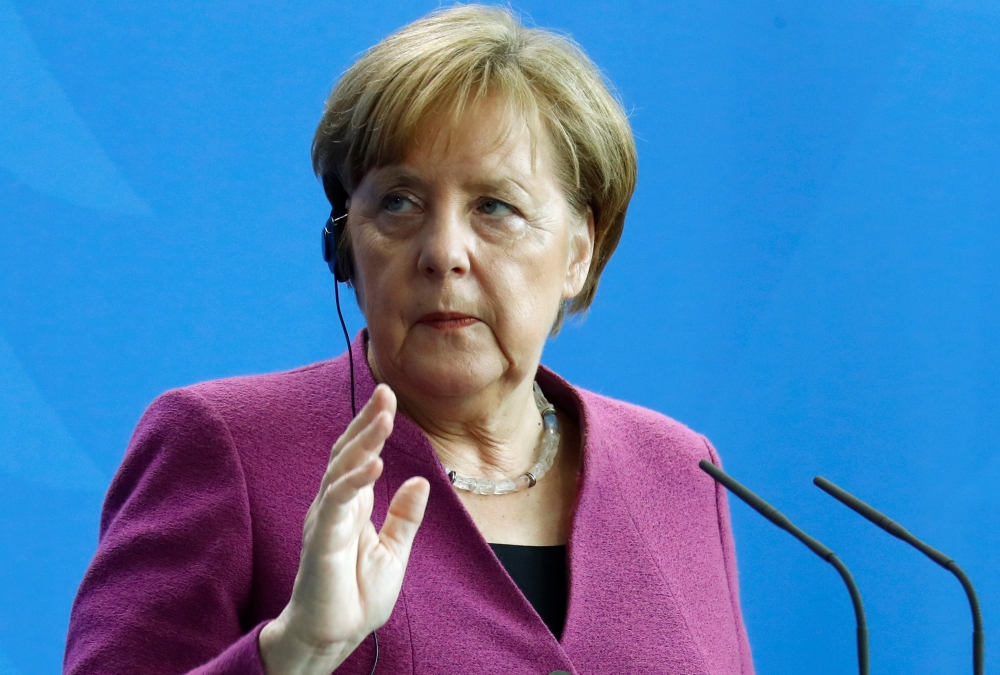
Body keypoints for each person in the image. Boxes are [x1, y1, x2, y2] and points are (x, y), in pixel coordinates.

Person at [64, 5, 753, 674]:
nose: (443, 251)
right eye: (398, 201)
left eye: (495, 206)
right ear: (344, 247)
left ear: (580, 249)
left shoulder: (682, 471)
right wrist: (294, 651)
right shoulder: (226, 445)